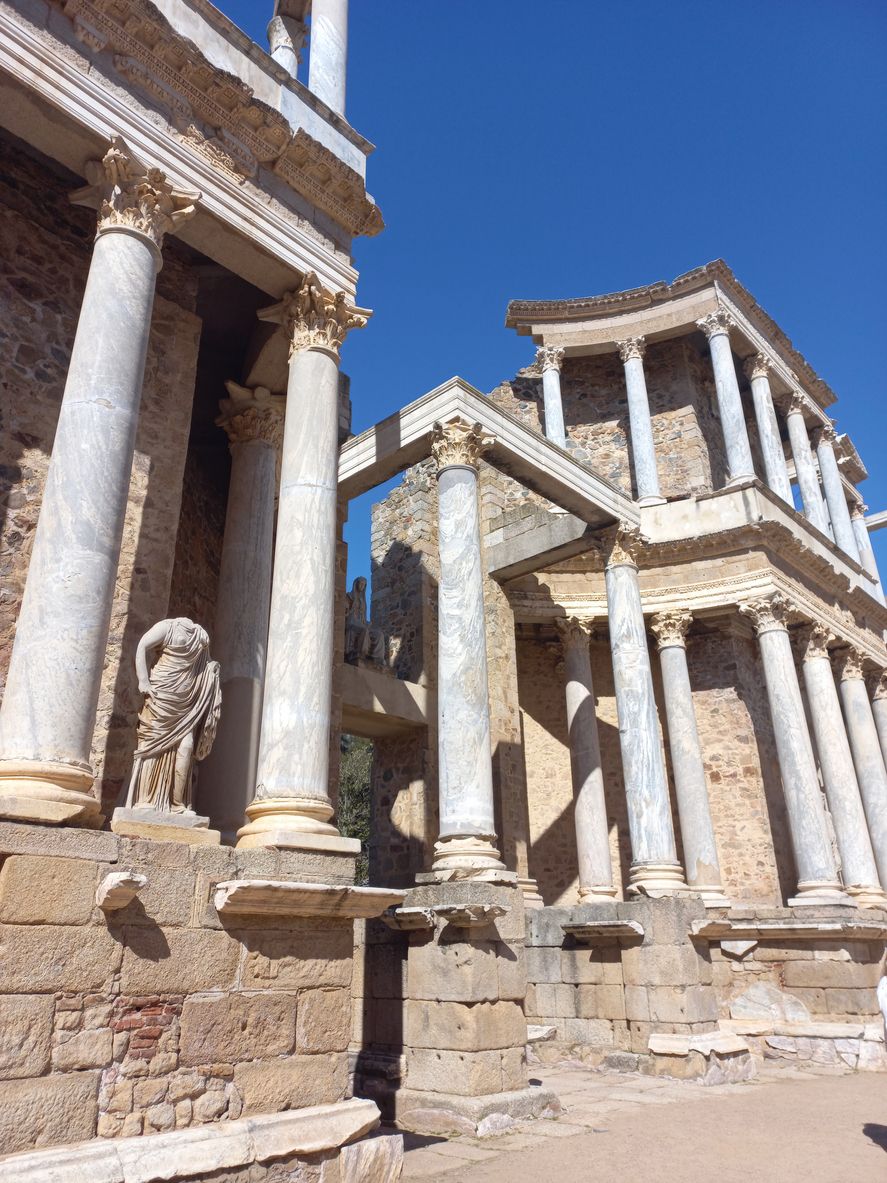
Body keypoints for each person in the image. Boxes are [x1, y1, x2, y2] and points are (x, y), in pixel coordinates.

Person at [125, 618, 221, 814]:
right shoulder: (168, 626)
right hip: (161, 693)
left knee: (186, 747)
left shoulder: (200, 634)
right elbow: (143, 645)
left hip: (186, 700)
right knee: (153, 746)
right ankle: (145, 800)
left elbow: (206, 664)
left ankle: (177, 804)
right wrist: (143, 680)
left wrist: (212, 670)